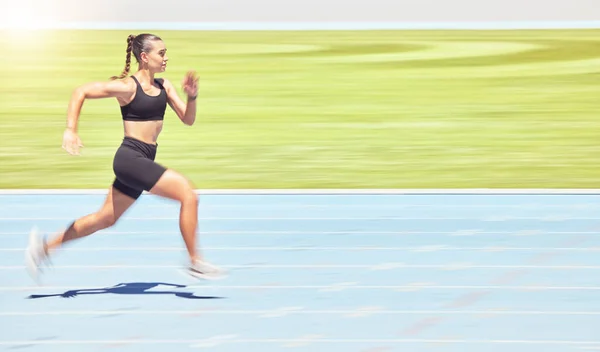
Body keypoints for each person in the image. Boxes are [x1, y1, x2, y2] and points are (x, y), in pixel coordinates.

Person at [25, 33, 225, 281]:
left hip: (141, 162)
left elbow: (188, 119)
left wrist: (192, 96)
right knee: (188, 195)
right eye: (161, 53)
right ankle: (195, 261)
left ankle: (43, 249)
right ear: (144, 57)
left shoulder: (165, 86)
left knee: (104, 219)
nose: (166, 58)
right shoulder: (128, 87)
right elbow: (81, 91)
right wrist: (70, 129)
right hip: (130, 159)